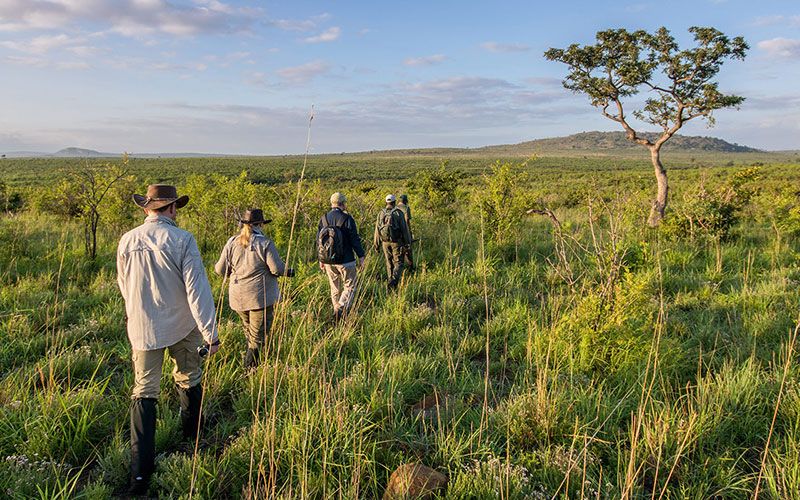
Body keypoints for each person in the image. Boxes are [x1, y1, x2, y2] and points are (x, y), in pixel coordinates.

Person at [117, 184, 220, 496]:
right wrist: (210, 333)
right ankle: (192, 436)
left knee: (144, 391)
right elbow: (197, 289)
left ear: (148, 208)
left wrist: (134, 313)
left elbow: (123, 284)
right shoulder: (182, 239)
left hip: (142, 326)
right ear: (173, 208)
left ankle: (139, 474)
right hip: (181, 323)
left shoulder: (127, 239)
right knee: (189, 376)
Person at [214, 208, 293, 369]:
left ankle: (252, 364)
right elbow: (276, 269)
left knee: (250, 331)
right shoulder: (264, 243)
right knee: (258, 337)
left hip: (238, 297)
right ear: (259, 224)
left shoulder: (231, 242)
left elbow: (220, 270)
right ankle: (249, 369)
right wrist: (288, 271)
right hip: (260, 297)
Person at [317, 192, 366, 322]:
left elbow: (319, 241)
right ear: (343, 204)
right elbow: (354, 239)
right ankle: (341, 308)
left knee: (334, 288)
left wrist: (321, 260)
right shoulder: (347, 219)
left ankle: (336, 311)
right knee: (350, 286)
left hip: (328, 260)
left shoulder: (323, 219)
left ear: (332, 203)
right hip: (346, 260)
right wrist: (361, 256)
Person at [373, 194, 412, 289]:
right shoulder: (398, 213)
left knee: (389, 262)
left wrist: (376, 245)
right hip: (396, 242)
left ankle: (391, 281)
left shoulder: (381, 213)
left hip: (384, 242)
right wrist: (408, 243)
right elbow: (404, 230)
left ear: (386, 202)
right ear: (394, 202)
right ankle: (393, 282)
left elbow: (377, 231)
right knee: (398, 263)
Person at [396, 194, 414, 271]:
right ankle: (411, 268)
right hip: (405, 231)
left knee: (398, 251)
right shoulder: (406, 208)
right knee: (408, 250)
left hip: (396, 232)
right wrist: (410, 233)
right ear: (406, 201)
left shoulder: (395, 207)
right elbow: (407, 221)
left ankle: (400, 268)